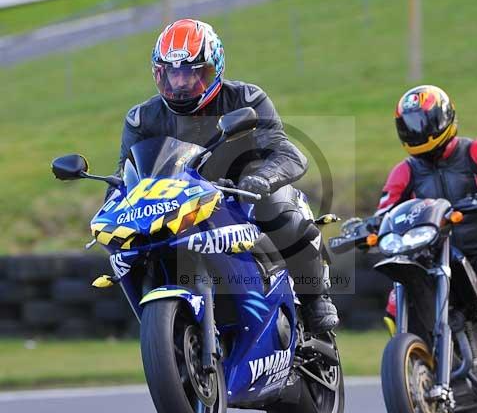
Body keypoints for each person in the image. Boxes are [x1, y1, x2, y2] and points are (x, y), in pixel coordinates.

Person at [110, 17, 338, 334]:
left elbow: (288, 153)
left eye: (192, 73)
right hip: (180, 203)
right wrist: (114, 201)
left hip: (244, 194)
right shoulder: (141, 119)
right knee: (130, 245)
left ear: (214, 67)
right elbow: (126, 174)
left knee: (278, 210)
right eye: (172, 73)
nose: (181, 83)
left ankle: (314, 298)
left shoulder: (246, 99)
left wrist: (262, 179)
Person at [371, 84, 477, 382]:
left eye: (423, 122)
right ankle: (420, 372)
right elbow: (385, 211)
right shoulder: (404, 172)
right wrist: (367, 227)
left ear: (443, 118)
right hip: (431, 255)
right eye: (410, 125)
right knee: (394, 305)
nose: (418, 131)